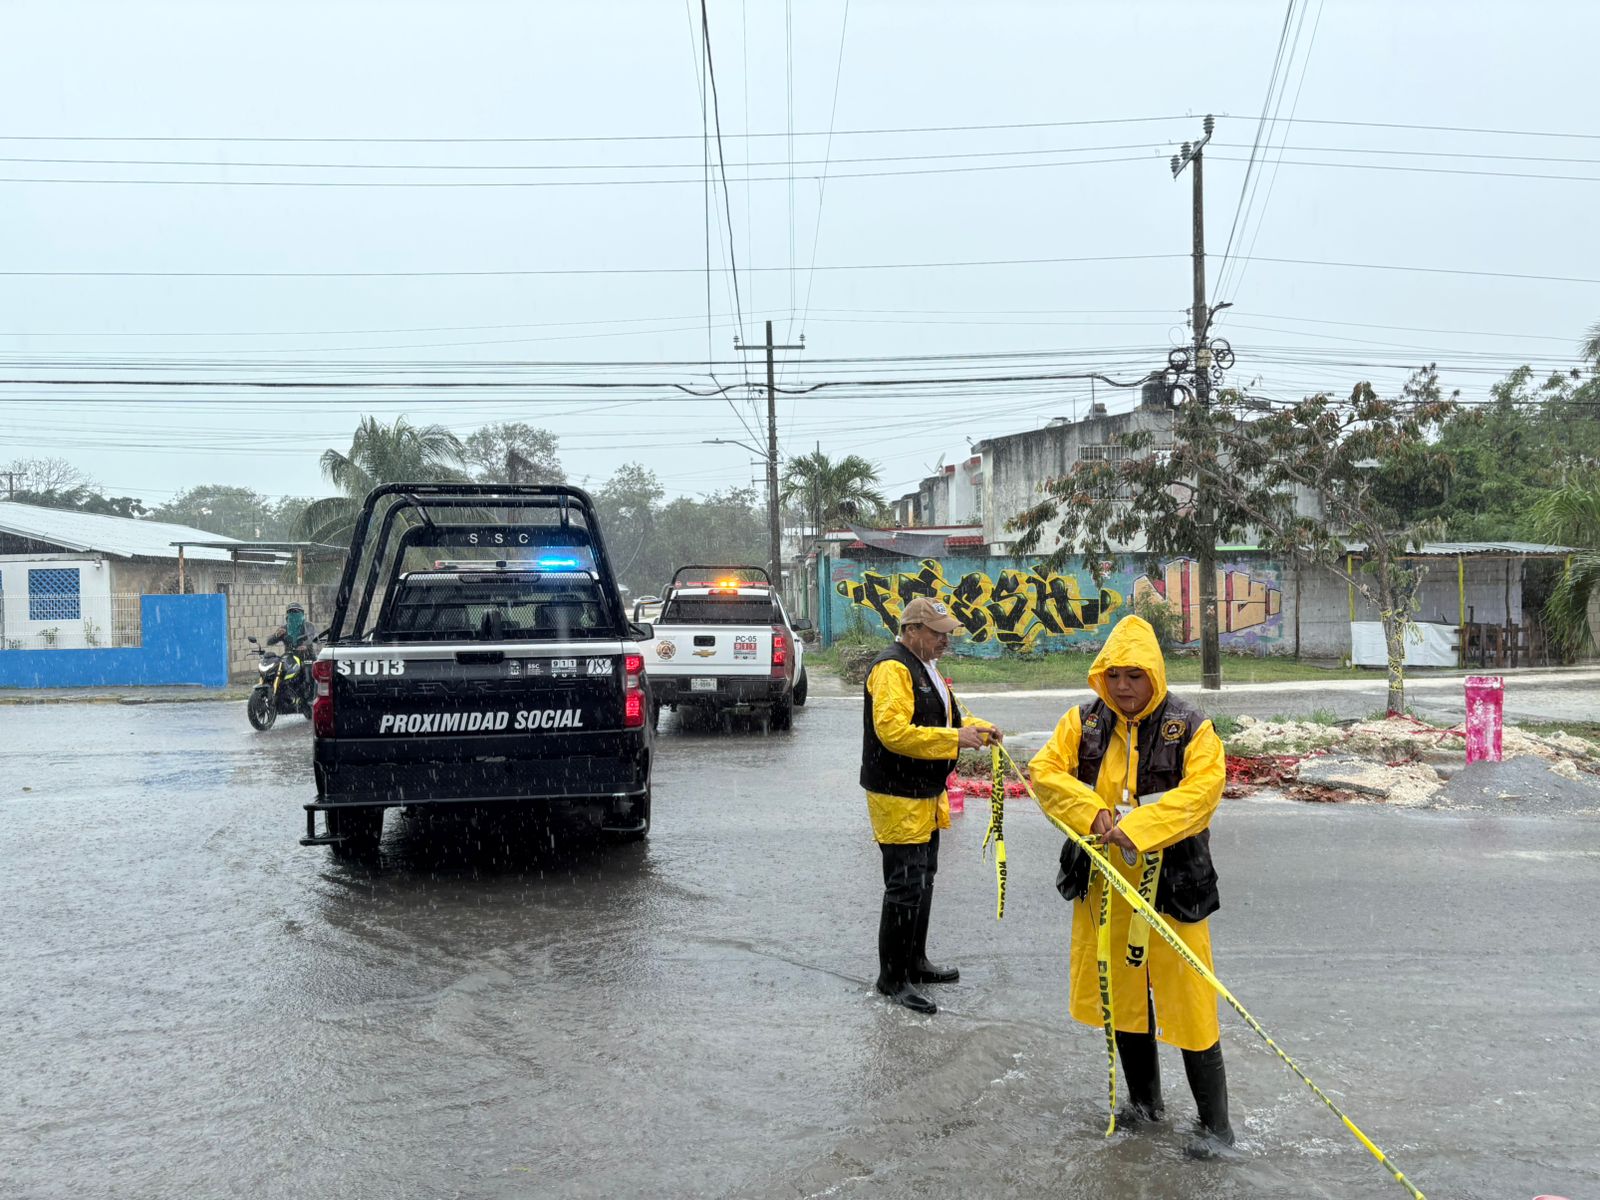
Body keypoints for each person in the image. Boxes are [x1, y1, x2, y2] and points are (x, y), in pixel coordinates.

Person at [1027, 614, 1234, 1158]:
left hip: (1175, 886)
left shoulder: (1190, 727)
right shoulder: (1084, 722)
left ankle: (1216, 1126)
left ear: (1156, 675)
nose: (1123, 686)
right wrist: (1093, 813)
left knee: (1189, 1000)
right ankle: (1145, 1105)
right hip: (1105, 886)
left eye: (1135, 675)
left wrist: (1138, 828)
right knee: (1122, 997)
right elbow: (1045, 772)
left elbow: (1203, 793)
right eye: (1114, 674)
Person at [861, 596, 1002, 1015]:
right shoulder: (893, 668)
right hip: (896, 793)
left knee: (924, 879)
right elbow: (894, 733)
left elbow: (948, 716)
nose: (945, 641)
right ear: (911, 631)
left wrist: (975, 727)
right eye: (938, 634)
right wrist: (957, 740)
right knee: (904, 887)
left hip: (925, 789)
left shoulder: (928, 668)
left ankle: (915, 962)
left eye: (948, 634)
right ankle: (892, 978)